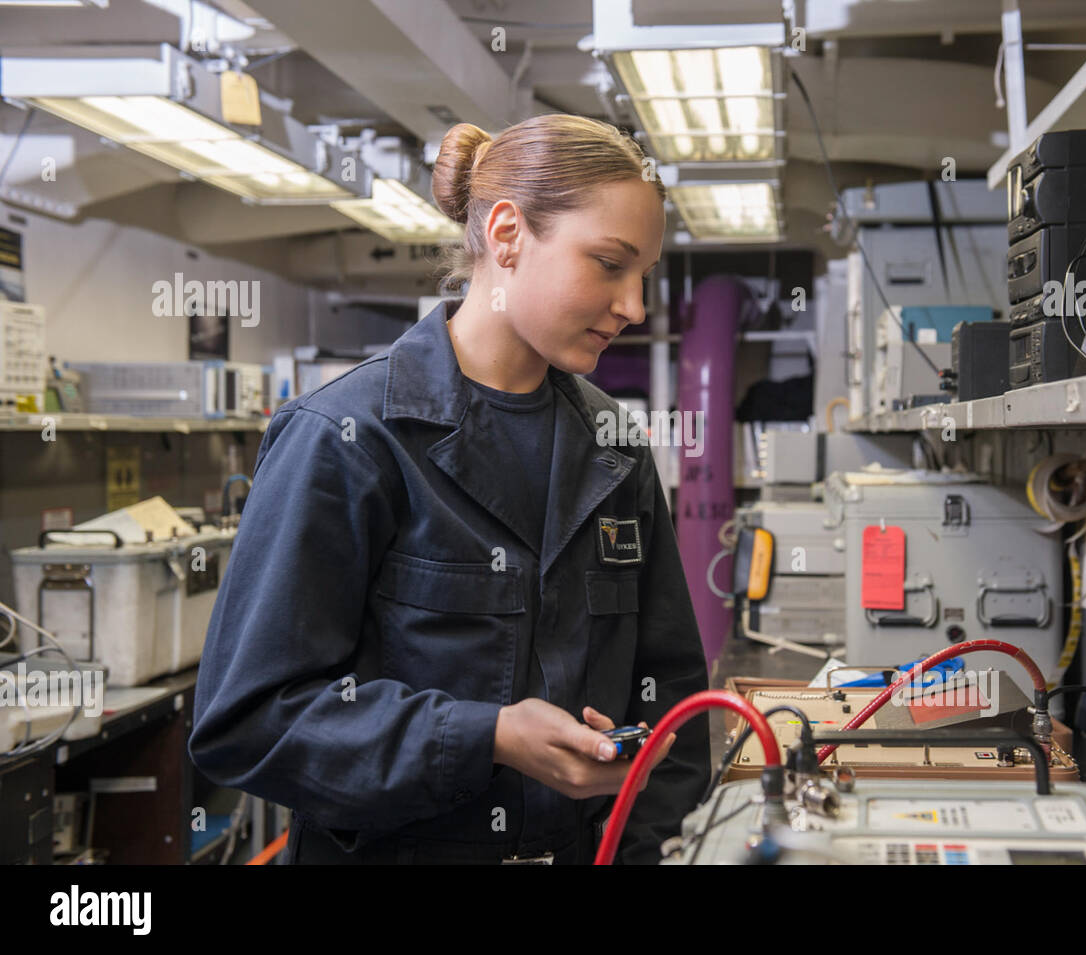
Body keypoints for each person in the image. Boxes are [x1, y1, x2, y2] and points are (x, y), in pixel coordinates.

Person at [189, 115, 711, 864]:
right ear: (506, 234)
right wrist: (486, 736)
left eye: (644, 275)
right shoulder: (348, 438)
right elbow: (248, 719)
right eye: (608, 263)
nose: (634, 306)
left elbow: (673, 696)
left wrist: (640, 849)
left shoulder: (616, 449)